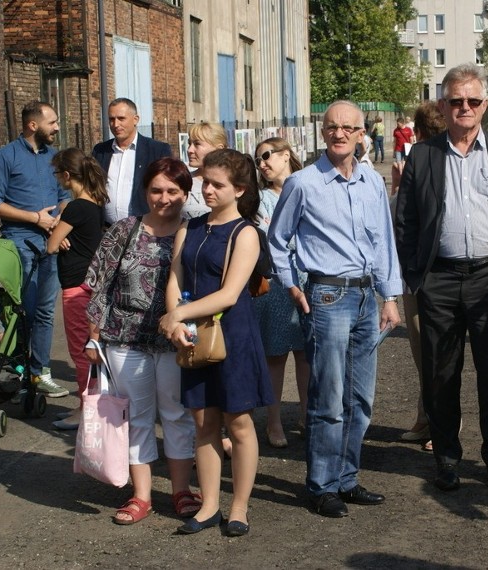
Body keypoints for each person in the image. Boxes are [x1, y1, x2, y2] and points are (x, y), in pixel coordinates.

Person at [395, 63, 488, 494]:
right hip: (439, 279)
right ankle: (447, 459)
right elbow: (406, 221)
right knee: (441, 374)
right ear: (443, 104)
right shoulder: (423, 155)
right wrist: (413, 274)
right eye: (456, 101)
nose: (464, 108)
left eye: (473, 101)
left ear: (485, 105)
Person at [268, 100, 402, 518]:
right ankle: (321, 485)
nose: (340, 133)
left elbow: (384, 241)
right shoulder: (303, 183)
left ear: (362, 133)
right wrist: (291, 285)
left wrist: (390, 296)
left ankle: (347, 478)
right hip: (326, 297)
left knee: (360, 397)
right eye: (332, 127)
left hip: (365, 298)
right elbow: (277, 240)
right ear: (322, 132)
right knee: (328, 397)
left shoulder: (372, 182)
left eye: (349, 127)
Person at [159, 149, 273, 537]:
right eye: (205, 181)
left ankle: (238, 507)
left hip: (232, 335)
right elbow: (174, 278)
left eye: (216, 184)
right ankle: (208, 506)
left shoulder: (247, 233)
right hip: (193, 335)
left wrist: (177, 316)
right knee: (203, 422)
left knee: (238, 423)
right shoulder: (189, 228)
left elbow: (229, 294)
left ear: (239, 189)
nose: (206, 189)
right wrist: (176, 319)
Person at [84, 158, 197, 525]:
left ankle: (181, 491)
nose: (163, 198)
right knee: (137, 419)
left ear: (185, 193)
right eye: (156, 190)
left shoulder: (195, 232)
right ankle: (142, 495)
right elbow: (100, 282)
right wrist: (93, 333)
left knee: (178, 415)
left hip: (176, 340)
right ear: (144, 191)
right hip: (124, 338)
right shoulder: (124, 229)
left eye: (172, 191)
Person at [0, 101, 70, 398]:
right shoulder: (5, 156)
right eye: (53, 122)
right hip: (19, 242)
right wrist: (36, 218)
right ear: (33, 125)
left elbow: (64, 196)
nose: (57, 127)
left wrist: (60, 221)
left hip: (51, 242)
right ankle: (20, 370)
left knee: (46, 310)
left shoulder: (55, 159)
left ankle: (40, 373)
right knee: (25, 310)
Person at [391, 101, 446, 452]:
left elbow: (400, 218)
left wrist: (396, 190)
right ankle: (427, 418)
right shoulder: (418, 160)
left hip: (428, 272)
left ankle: (439, 424)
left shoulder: (423, 162)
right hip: (419, 271)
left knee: (430, 351)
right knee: (427, 350)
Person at [252, 138, 309, 448]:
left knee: (306, 354)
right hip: (274, 282)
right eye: (258, 159)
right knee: (275, 357)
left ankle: (307, 415)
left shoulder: (306, 186)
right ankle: (273, 422)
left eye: (266, 155)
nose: (262, 163)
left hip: (308, 278)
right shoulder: (258, 199)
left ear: (286, 154)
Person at [46, 148, 108, 430]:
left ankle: (85, 409)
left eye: (57, 174)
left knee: (80, 351)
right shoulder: (94, 202)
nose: (56, 178)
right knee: (90, 347)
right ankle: (86, 405)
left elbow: (50, 245)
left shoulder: (75, 207)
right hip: (90, 281)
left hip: (75, 285)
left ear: (67, 175)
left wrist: (57, 230)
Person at [92, 98, 173, 224]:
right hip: (107, 230)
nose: (116, 124)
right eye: (111, 119)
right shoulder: (100, 151)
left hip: (144, 229)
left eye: (121, 118)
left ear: (135, 119)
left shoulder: (157, 150)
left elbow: (168, 189)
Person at [183, 122, 227, 219]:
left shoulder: (231, 182)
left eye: (197, 144)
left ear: (218, 149)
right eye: (189, 143)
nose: (190, 150)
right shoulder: (182, 180)